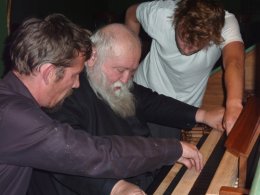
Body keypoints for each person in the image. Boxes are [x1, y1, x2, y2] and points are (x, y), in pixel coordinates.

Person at [0, 14, 206, 195]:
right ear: (48, 72)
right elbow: (95, 153)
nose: (77, 83)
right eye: (73, 76)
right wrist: (172, 149)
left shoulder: (11, 102)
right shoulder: (13, 116)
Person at [125, 0, 245, 135]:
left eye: (197, 44)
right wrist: (129, 63)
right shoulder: (161, 14)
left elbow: (234, 61)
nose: (187, 49)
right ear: (178, 18)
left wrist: (234, 105)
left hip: (181, 111)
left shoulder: (225, 24)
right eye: (182, 37)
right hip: (143, 95)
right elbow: (131, 14)